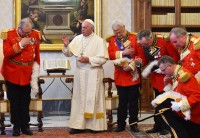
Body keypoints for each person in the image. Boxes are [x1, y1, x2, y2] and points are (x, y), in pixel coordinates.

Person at [62, 19, 108, 134]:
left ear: (91, 28)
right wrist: (66, 45)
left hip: (93, 72)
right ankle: (78, 125)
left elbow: (103, 59)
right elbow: (69, 53)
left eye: (85, 27)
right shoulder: (77, 39)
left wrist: (89, 59)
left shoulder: (99, 41)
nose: (82, 29)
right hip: (80, 73)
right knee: (79, 99)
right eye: (82, 27)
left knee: (93, 99)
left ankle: (95, 126)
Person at [0, 18, 40, 136]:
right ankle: (16, 126)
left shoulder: (35, 34)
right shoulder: (8, 34)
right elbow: (6, 53)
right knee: (14, 101)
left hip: (27, 72)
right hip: (12, 72)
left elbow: (36, 54)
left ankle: (25, 126)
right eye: (25, 33)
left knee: (25, 100)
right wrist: (21, 44)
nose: (28, 35)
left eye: (29, 32)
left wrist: (36, 72)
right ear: (19, 28)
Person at [136, 30, 180, 135]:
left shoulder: (164, 41)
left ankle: (165, 127)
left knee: (164, 102)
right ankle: (158, 126)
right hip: (155, 77)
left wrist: (164, 68)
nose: (145, 46)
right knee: (158, 102)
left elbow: (175, 57)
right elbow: (145, 59)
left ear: (151, 37)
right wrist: (140, 62)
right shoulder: (144, 45)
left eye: (146, 44)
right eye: (143, 45)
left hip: (166, 77)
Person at [107, 20, 143, 132]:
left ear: (124, 27)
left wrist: (131, 66)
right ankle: (121, 125)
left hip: (133, 75)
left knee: (133, 102)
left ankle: (133, 124)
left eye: (119, 32)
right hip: (120, 75)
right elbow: (110, 55)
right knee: (122, 103)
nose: (118, 34)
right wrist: (123, 52)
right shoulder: (112, 40)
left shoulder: (134, 37)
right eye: (115, 32)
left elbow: (140, 56)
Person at [151, 55, 200, 138]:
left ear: (169, 65)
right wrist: (167, 84)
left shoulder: (183, 75)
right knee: (161, 106)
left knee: (162, 109)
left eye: (163, 70)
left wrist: (180, 105)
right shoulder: (176, 74)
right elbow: (177, 93)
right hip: (185, 111)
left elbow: (197, 95)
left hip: (193, 114)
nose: (163, 73)